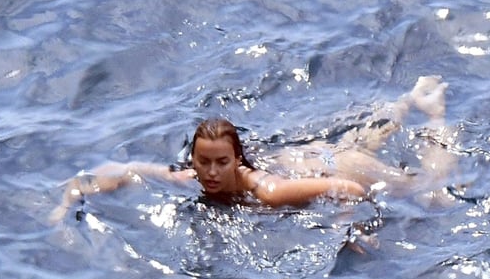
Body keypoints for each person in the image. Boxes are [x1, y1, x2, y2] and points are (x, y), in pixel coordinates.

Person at [50, 76, 454, 223]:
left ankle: (434, 114)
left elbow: (350, 190)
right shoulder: (188, 177)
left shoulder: (267, 192)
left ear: (237, 160)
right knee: (357, 140)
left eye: (221, 163)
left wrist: (347, 226)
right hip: (315, 157)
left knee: (431, 192)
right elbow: (128, 169)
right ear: (192, 159)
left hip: (344, 169)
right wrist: (72, 193)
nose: (210, 173)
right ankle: (408, 99)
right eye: (203, 162)